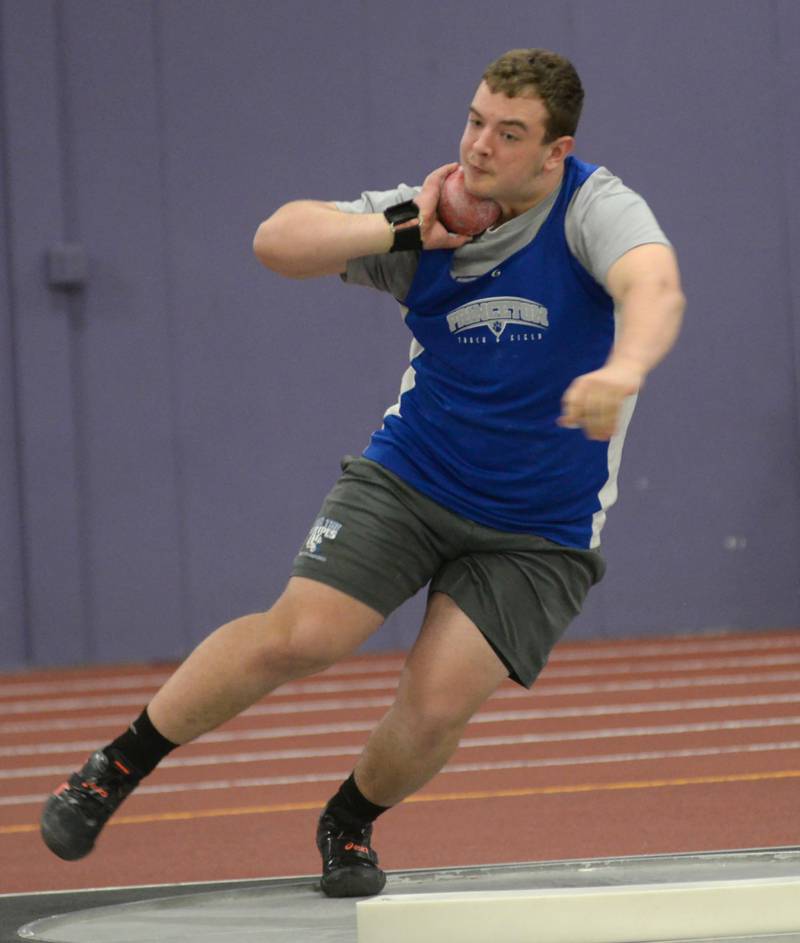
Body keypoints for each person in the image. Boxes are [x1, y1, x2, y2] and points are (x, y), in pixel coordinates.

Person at [40, 48, 685, 898]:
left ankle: (348, 820)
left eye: (510, 133)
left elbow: (655, 287)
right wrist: (401, 227)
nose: (481, 145)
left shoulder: (593, 207)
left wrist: (624, 370)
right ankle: (112, 767)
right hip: (414, 477)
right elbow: (277, 240)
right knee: (303, 634)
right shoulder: (426, 212)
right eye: (475, 119)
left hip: (540, 524)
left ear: (554, 151)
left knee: (438, 701)